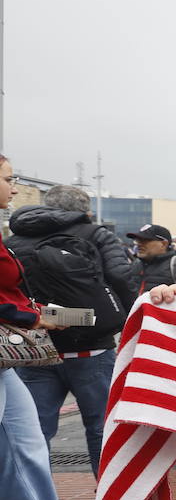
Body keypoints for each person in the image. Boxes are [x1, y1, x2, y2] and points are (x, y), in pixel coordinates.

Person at [0, 156, 92, 500]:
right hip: (24, 342)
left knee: (26, 441)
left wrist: (40, 314)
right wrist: (30, 317)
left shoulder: (12, 238)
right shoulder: (86, 237)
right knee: (22, 443)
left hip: (17, 352)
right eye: (7, 179)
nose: (14, 188)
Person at [6, 185, 135, 476]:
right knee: (102, 427)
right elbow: (120, 276)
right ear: (82, 210)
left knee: (34, 431)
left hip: (35, 347)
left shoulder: (14, 241)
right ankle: (107, 497)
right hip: (91, 346)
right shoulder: (96, 234)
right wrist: (127, 319)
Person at [127, 223, 176, 294]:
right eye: (137, 240)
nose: (138, 244)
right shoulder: (136, 264)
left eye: (145, 240)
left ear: (163, 244)